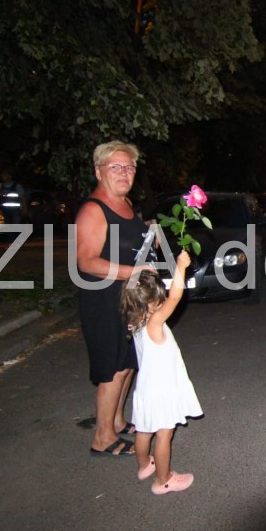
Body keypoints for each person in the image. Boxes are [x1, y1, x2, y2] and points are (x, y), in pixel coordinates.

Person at [76, 140, 157, 456]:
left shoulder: (126, 205)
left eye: (130, 167)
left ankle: (118, 421)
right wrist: (132, 272)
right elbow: (86, 261)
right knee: (112, 367)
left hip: (127, 301)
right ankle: (103, 437)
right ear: (99, 172)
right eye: (116, 167)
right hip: (103, 300)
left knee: (127, 364)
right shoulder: (94, 210)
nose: (124, 173)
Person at [120, 252, 203, 495]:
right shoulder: (154, 321)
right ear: (151, 303)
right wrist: (180, 267)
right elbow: (176, 296)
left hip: (145, 389)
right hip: (162, 391)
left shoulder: (134, 320)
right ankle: (163, 480)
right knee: (164, 434)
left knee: (144, 430)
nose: (164, 297)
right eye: (159, 296)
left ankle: (144, 465)